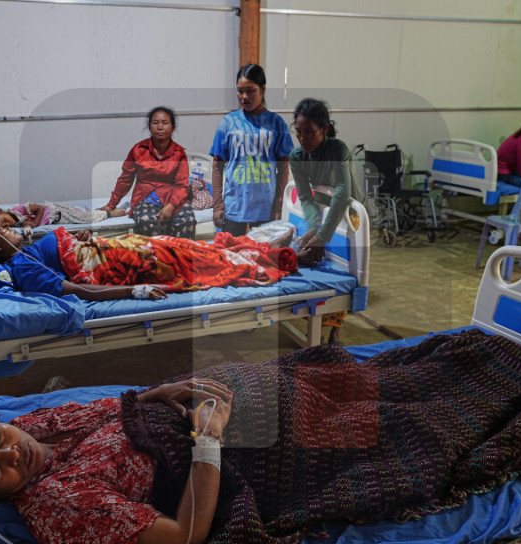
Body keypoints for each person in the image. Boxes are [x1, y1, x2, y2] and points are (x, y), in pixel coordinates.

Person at [0, 330, 521, 544]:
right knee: (403, 426)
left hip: (221, 399)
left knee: (354, 375)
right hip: (233, 451)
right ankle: (504, 388)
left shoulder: (34, 420)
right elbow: (185, 539)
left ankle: (467, 366)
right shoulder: (57, 509)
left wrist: (163, 391)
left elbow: (118, 408)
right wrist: (208, 437)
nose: (11, 456)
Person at [0, 220, 297, 298]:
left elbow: (69, 253)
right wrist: (134, 291)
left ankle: (260, 247)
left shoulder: (26, 253)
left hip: (123, 247)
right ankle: (267, 255)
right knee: (195, 260)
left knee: (184, 246)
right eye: (1, 230)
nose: (10, 228)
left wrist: (79, 239)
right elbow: (78, 289)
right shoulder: (24, 268)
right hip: (126, 264)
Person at [288, 98, 364, 345]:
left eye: (309, 132)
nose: (303, 138)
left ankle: (335, 331)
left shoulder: (337, 150)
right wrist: (313, 227)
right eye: (299, 132)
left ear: (324, 129)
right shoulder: (297, 157)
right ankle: (318, 322)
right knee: (322, 264)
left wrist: (323, 235)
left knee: (346, 269)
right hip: (323, 210)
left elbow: (342, 191)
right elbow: (305, 197)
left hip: (349, 213)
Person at [210, 64, 294, 236]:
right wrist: (217, 206)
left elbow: (283, 168)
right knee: (232, 251)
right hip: (234, 207)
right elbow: (217, 166)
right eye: (240, 91)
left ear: (263, 89)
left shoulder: (276, 123)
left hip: (266, 207)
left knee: (263, 251)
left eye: (250, 91)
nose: (244, 97)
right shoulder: (228, 123)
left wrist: (278, 206)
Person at [97, 107, 196, 239]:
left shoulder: (179, 154)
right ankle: (158, 252)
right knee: (147, 221)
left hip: (172, 199)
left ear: (173, 128)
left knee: (187, 220)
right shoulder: (138, 150)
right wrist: (111, 205)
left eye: (165, 123)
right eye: (155, 123)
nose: (160, 127)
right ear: (149, 127)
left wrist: (170, 207)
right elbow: (125, 180)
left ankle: (179, 252)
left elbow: (182, 185)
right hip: (145, 198)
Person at [0, 202, 108, 230]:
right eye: (4, 226)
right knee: (83, 216)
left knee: (87, 219)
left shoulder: (19, 209)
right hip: (57, 219)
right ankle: (101, 211)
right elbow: (26, 224)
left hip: (57, 213)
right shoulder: (17, 224)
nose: (8, 224)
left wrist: (35, 223)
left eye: (5, 220)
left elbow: (40, 208)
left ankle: (110, 212)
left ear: (1, 211)